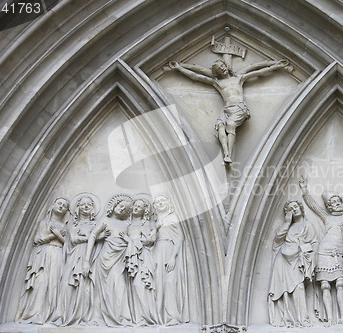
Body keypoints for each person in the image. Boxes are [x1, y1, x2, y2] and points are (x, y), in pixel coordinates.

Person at [169, 58, 291, 164]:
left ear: (226, 66)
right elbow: (197, 76)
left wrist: (275, 66)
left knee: (231, 125)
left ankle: (229, 155)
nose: (223, 69)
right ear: (217, 73)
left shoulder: (239, 78)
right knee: (220, 126)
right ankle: (226, 153)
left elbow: (257, 71)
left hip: (239, 108)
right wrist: (180, 68)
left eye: (223, 66)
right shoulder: (217, 83)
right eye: (219, 69)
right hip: (227, 109)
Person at [299, 176, 343, 326]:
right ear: (329, 206)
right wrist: (305, 190)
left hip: (337, 253)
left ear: (341, 202)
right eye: (332, 202)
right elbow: (313, 206)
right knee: (325, 285)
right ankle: (330, 318)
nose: (336, 204)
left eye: (337, 201)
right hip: (323, 252)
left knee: (340, 283)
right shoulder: (327, 217)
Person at [17, 197, 69, 324]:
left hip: (57, 254)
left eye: (64, 205)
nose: (61, 206)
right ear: (53, 205)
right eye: (59, 203)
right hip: (43, 254)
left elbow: (67, 243)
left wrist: (59, 236)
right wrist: (54, 235)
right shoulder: (44, 223)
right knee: (41, 282)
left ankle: (50, 314)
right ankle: (34, 313)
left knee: (54, 283)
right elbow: (37, 240)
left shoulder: (64, 226)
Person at [83, 194, 133, 326]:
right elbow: (93, 235)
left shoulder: (127, 224)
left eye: (126, 209)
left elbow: (134, 240)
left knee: (120, 285)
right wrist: (86, 261)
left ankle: (121, 317)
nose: (122, 209)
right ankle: (100, 317)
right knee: (102, 289)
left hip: (119, 259)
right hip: (104, 259)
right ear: (115, 205)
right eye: (121, 205)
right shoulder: (105, 220)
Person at [268, 200, 318, 327]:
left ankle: (303, 319)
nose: (294, 209)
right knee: (285, 289)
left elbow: (314, 243)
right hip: (283, 259)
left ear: (301, 208)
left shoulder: (307, 225)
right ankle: (288, 319)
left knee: (299, 287)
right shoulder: (287, 227)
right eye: (290, 209)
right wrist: (286, 222)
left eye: (296, 206)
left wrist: (311, 258)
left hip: (298, 259)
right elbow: (278, 238)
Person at [56, 194, 103, 325]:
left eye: (89, 204)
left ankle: (84, 316)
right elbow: (73, 239)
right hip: (75, 254)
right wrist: (93, 237)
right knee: (68, 284)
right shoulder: (73, 224)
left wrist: (90, 237)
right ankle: (67, 315)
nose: (86, 206)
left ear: (93, 208)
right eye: (82, 204)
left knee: (87, 285)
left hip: (91, 256)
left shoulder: (96, 224)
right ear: (78, 208)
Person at [152, 194, 189, 325]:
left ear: (168, 202)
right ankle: (159, 316)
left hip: (170, 250)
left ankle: (173, 316)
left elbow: (180, 238)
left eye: (162, 200)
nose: (160, 203)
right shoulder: (154, 222)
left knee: (170, 282)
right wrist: (156, 227)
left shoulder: (173, 217)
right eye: (157, 202)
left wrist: (173, 257)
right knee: (158, 283)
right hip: (157, 252)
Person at [124, 196, 157, 325]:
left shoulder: (147, 223)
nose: (137, 208)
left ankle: (146, 317)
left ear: (145, 211)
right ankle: (136, 318)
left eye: (140, 207)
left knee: (140, 284)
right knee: (131, 287)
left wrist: (130, 241)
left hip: (142, 256)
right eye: (135, 205)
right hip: (129, 258)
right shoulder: (128, 224)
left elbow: (149, 241)